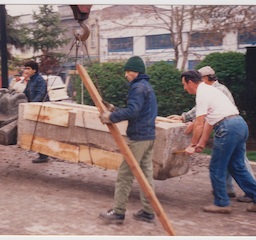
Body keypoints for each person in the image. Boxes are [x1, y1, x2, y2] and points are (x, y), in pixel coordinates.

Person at [168, 66, 255, 203]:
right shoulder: (210, 90)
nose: (184, 88)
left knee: (216, 167)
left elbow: (199, 123)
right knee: (237, 166)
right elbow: (209, 121)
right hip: (239, 125)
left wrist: (192, 145)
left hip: (228, 127)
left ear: (190, 82)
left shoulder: (202, 93)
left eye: (184, 84)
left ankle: (221, 204)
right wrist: (201, 143)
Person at [98, 56, 158, 224]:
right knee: (146, 176)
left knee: (125, 175)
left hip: (138, 138)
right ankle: (148, 211)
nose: (126, 75)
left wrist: (111, 117)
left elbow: (133, 111)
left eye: (128, 71)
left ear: (135, 72)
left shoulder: (137, 88)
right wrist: (115, 109)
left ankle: (118, 212)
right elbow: (139, 110)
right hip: (148, 136)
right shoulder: (146, 86)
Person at [23, 60, 50, 163]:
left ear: (34, 70)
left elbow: (41, 94)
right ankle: (42, 154)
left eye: (28, 68)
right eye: (25, 68)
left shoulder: (40, 80)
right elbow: (25, 93)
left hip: (42, 109)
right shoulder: (30, 80)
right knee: (36, 132)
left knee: (41, 132)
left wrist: (31, 105)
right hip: (34, 108)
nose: (26, 70)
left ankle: (44, 155)